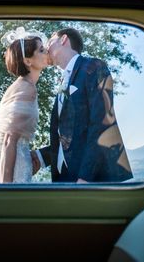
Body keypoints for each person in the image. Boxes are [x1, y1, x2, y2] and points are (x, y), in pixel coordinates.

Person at [32, 28, 132, 183]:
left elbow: (101, 124)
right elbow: (71, 135)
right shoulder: (63, 81)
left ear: (63, 39)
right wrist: (40, 157)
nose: (46, 49)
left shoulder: (93, 67)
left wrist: (85, 178)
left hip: (91, 179)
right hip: (64, 177)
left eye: (50, 42)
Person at [0, 28, 49, 183]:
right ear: (28, 61)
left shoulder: (21, 86)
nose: (47, 51)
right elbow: (9, 139)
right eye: (41, 50)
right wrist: (6, 186)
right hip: (13, 170)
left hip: (13, 162)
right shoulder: (27, 88)